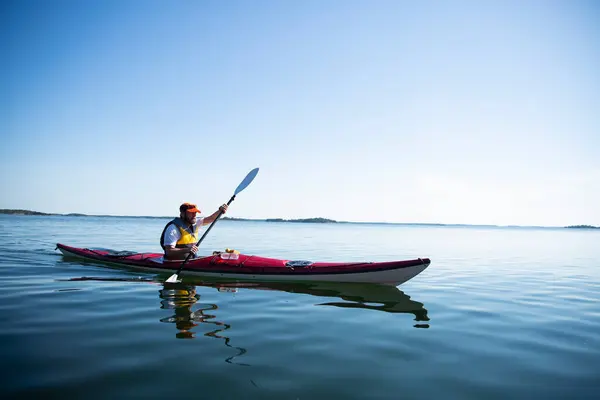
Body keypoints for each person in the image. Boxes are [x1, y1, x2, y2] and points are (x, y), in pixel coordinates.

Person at [160, 202, 228, 261]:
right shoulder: (173, 228)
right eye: (191, 213)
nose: (194, 215)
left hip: (192, 260)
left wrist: (220, 211)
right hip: (174, 262)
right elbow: (169, 251)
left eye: (195, 212)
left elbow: (211, 218)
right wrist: (187, 250)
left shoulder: (195, 223)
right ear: (183, 214)